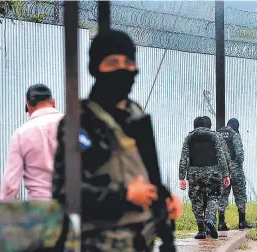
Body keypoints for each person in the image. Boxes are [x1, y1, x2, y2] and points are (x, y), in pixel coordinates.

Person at [52, 30, 182, 251]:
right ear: (95, 68)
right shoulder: (82, 121)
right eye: (112, 62)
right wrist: (125, 196)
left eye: (128, 62)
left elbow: (143, 173)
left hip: (141, 240)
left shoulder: (134, 114)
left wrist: (164, 198)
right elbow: (66, 192)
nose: (122, 69)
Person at [0, 84, 63, 201]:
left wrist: (7, 213)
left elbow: (10, 184)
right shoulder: (72, 125)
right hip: (71, 204)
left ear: (28, 106)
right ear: (53, 103)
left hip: (39, 208)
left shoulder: (20, 134)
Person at [180, 116, 231, 239]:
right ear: (206, 125)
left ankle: (201, 230)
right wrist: (226, 174)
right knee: (213, 197)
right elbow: (221, 156)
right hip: (212, 172)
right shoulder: (214, 136)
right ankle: (210, 220)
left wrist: (181, 177)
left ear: (194, 126)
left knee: (196, 201)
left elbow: (184, 158)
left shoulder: (189, 137)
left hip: (194, 174)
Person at [217, 118, 253, 230]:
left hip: (222, 170)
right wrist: (235, 165)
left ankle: (221, 223)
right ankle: (242, 221)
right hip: (235, 169)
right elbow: (239, 155)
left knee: (222, 195)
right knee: (240, 194)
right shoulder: (235, 134)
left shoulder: (217, 134)